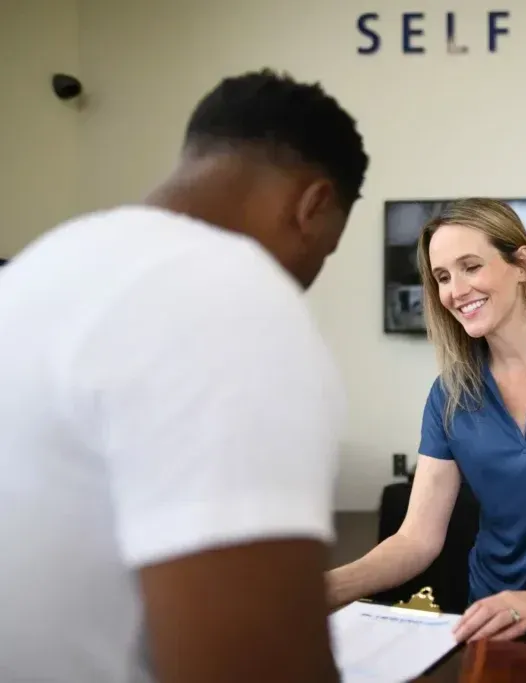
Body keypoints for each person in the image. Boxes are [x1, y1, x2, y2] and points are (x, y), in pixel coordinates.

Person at [0, 69, 368, 683]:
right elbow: (255, 665)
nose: (308, 277)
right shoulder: (230, 295)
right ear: (313, 206)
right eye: (324, 254)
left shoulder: (40, 269)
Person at [326, 198, 526, 642]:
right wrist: (325, 587)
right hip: (495, 623)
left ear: (522, 264)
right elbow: (416, 540)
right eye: (443, 277)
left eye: (470, 267)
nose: (456, 290)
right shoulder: (450, 395)